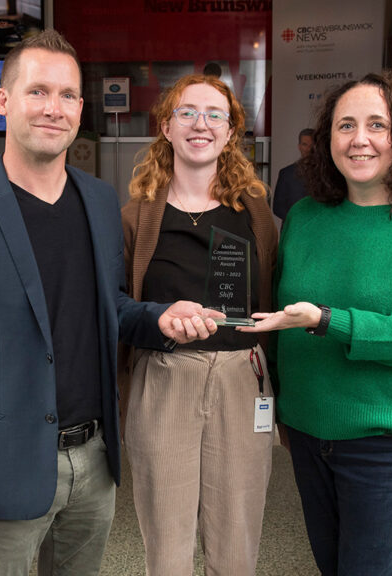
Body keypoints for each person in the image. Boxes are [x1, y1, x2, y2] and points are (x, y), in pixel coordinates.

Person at [0, 31, 221, 576]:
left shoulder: (99, 200)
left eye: (68, 95)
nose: (54, 108)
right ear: (4, 101)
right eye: (38, 92)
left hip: (95, 465)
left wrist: (159, 319)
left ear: (81, 108)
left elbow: (110, 308)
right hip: (0, 473)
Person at [239, 73, 392, 575]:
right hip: (306, 431)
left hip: (388, 439)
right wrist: (277, 400)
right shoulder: (303, 216)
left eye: (376, 125)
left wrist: (328, 320)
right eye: (345, 125)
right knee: (330, 565)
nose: (358, 139)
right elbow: (279, 317)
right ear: (328, 141)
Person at [120, 74, 278, 576]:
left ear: (230, 133)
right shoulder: (134, 218)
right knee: (167, 549)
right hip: (165, 378)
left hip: (241, 376)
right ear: (166, 127)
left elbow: (274, 295)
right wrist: (160, 322)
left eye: (215, 115)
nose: (201, 124)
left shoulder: (256, 214)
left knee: (236, 544)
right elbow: (117, 306)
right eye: (187, 113)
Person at [271, 128, 314, 221]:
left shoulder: (326, 174)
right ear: (299, 146)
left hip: (318, 229)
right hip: (292, 228)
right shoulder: (286, 173)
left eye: (312, 145)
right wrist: (297, 220)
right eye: (304, 144)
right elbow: (277, 207)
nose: (308, 149)